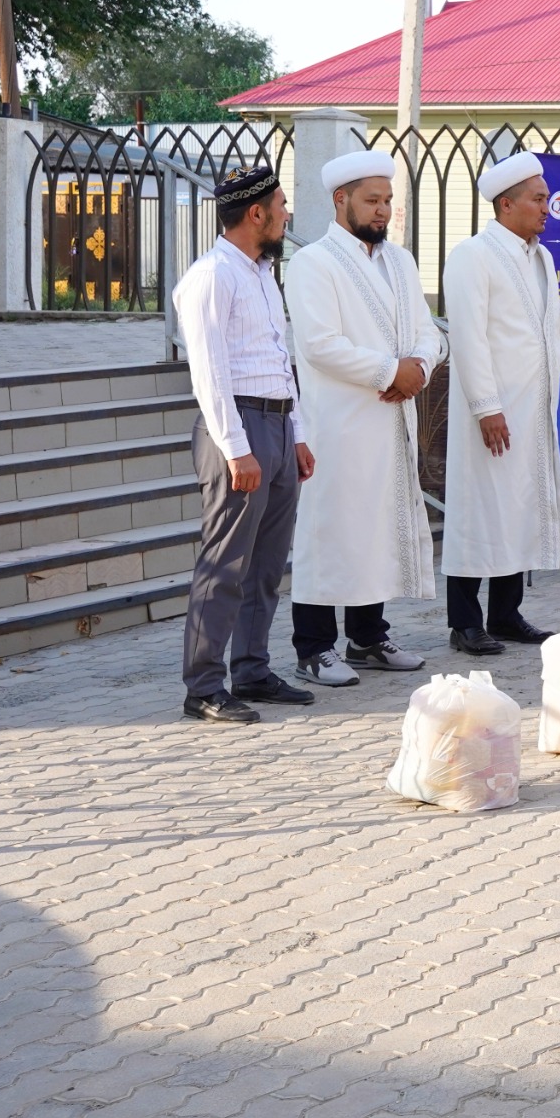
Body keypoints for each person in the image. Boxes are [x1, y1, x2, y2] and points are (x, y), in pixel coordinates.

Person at [440, 152, 560, 654]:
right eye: (538, 199)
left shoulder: (542, 257)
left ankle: (504, 615)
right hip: (492, 410)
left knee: (518, 508)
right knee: (480, 509)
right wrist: (486, 407)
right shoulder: (472, 256)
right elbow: (468, 338)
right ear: (506, 204)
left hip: (533, 410)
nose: (547, 207)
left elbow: (547, 331)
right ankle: (464, 623)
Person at [284, 150, 443, 685]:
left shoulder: (401, 262)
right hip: (338, 424)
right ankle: (312, 648)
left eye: (388, 200)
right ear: (341, 200)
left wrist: (419, 366)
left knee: (375, 529)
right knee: (329, 530)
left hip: (392, 420)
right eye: (372, 200)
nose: (382, 210)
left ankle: (368, 638)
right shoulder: (313, 263)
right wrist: (390, 371)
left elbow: (428, 331)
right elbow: (320, 344)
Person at [174, 164, 315, 723]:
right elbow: (209, 373)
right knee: (226, 563)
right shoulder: (212, 276)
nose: (286, 214)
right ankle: (203, 686)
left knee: (266, 566)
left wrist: (297, 434)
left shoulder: (260, 273)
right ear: (256, 213)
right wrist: (236, 449)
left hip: (276, 425)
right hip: (238, 427)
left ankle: (252, 670)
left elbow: (280, 359)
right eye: (281, 206)